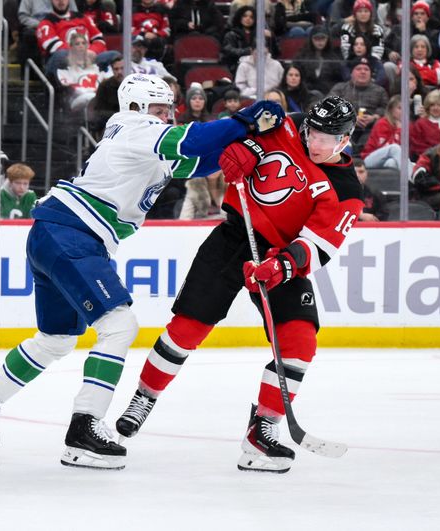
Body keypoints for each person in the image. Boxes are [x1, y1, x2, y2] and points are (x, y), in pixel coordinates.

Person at [0, 74, 286, 470]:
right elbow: (193, 141)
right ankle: (85, 427)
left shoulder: (139, 138)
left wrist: (248, 145)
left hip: (59, 234)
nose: (168, 116)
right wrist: (246, 119)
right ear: (140, 107)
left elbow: (195, 162)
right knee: (120, 324)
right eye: (162, 109)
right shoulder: (136, 128)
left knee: (57, 339)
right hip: (73, 234)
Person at [115, 96, 364, 474]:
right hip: (234, 237)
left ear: (344, 141)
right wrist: (242, 150)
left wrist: (281, 266)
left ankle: (262, 431)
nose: (315, 143)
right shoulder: (286, 124)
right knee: (188, 327)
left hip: (281, 258)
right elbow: (243, 132)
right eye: (312, 133)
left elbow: (321, 244)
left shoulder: (346, 190)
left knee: (299, 341)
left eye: (326, 140)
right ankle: (143, 397)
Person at [329, 57, 389, 151]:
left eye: (366, 69)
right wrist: (350, 118)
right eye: (359, 69)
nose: (363, 72)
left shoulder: (379, 91)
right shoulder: (340, 88)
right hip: (345, 128)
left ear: (371, 74)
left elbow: (387, 108)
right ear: (351, 73)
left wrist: (375, 117)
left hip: (370, 129)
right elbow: (330, 106)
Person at [56, 31, 102, 112]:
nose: (81, 46)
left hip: (97, 99)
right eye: (77, 44)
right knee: (90, 98)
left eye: (83, 43)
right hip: (77, 99)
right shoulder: (65, 68)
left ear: (87, 46)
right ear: (71, 47)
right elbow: (69, 89)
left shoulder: (96, 67)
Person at [293, 25, 345, 95]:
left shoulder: (334, 57)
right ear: (311, 39)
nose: (320, 42)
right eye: (316, 38)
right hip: (306, 94)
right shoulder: (302, 56)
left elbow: (339, 79)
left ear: (328, 39)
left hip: (329, 94)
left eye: (323, 38)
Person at [410, 89, 440, 158]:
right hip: (428, 159)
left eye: (439, 105)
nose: (435, 108)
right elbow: (417, 147)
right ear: (428, 107)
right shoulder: (420, 124)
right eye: (432, 105)